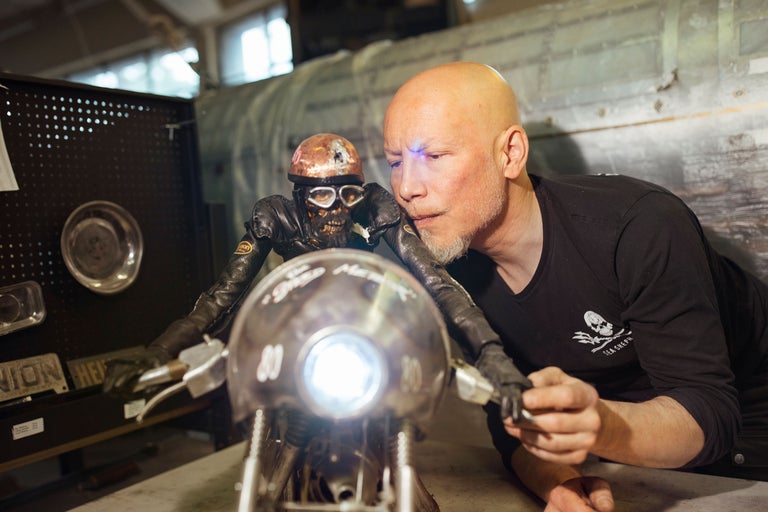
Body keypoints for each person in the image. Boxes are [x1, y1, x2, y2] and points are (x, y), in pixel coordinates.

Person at [383, 61, 768, 511]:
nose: (406, 188)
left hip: (747, 436)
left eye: (433, 156)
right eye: (396, 162)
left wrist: (602, 425)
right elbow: (509, 421)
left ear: (510, 153)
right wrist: (557, 483)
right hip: (628, 448)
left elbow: (711, 410)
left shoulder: (639, 227)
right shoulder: (450, 272)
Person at [103, 131, 530, 423]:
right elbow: (222, 295)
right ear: (299, 196)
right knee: (236, 354)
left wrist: (490, 352)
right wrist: (160, 351)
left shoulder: (376, 206)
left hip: (360, 312)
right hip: (296, 312)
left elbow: (434, 279)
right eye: (323, 195)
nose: (338, 209)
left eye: (349, 194)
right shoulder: (275, 216)